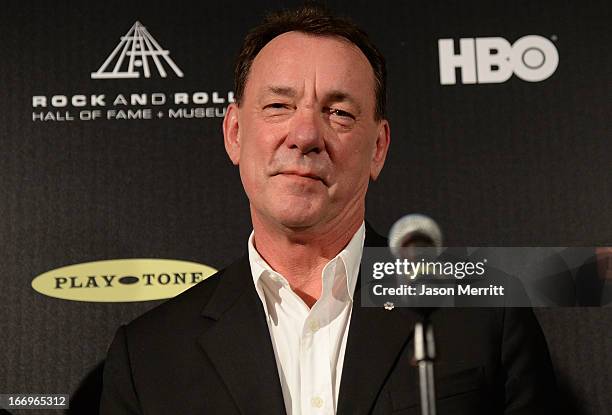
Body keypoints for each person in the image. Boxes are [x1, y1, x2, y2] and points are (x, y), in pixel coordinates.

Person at [100, 5, 557, 414]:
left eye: (338, 113)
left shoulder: (487, 311)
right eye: (278, 105)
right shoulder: (148, 356)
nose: (305, 135)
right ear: (235, 133)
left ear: (378, 147)